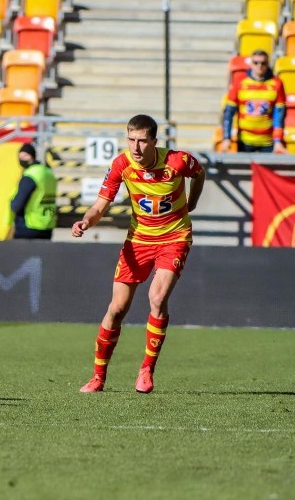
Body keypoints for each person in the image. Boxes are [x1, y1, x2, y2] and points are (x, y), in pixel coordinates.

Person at [73, 114, 206, 394]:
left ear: (154, 142)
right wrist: (85, 221)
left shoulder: (177, 161)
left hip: (174, 237)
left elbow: (200, 173)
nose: (136, 147)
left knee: (157, 298)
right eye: (131, 139)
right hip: (138, 241)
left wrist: (191, 201)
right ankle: (98, 377)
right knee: (117, 308)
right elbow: (99, 206)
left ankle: (146, 370)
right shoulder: (122, 164)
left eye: (142, 141)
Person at [220, 50, 288, 154]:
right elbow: (228, 112)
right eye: (256, 63)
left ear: (268, 64)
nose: (259, 66)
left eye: (263, 63)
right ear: (251, 63)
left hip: (267, 143)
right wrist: (226, 138)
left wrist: (278, 141)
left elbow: (279, 115)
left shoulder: (277, 83)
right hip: (244, 142)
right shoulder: (239, 82)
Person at [9, 143, 57, 240]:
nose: (22, 159)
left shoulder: (31, 175)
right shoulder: (48, 172)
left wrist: (12, 204)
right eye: (20, 156)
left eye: (25, 155)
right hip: (48, 223)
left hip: (29, 226)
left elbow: (17, 205)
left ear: (32, 156)